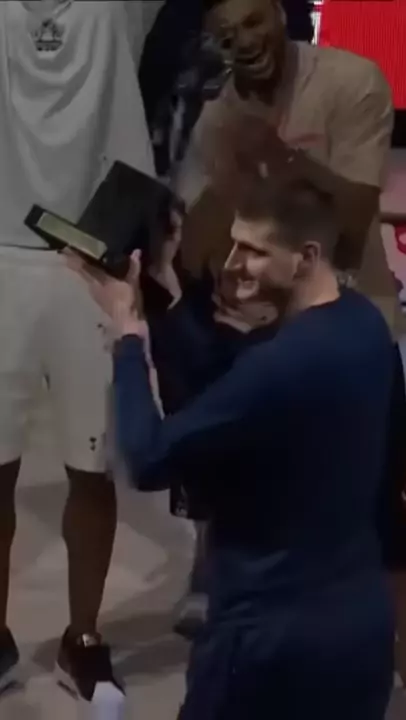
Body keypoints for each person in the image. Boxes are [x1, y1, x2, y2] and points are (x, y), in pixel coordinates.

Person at [71, 178, 396, 720]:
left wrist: (129, 338)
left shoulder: (280, 365)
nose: (233, 264)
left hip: (267, 639)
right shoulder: (363, 325)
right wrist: (167, 290)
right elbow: (235, 378)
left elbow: (148, 457)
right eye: (234, 243)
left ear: (306, 257)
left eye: (254, 250)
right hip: (358, 630)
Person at [0, 0, 154, 708]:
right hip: (1, 254)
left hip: (91, 255)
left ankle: (82, 636)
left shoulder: (114, 8)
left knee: (91, 470)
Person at [176, 0, 402, 336]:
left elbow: (353, 229)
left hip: (357, 328)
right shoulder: (215, 120)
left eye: (254, 22)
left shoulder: (351, 81)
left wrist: (281, 156)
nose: (245, 42)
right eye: (227, 37)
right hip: (257, 338)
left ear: (280, 13)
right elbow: (193, 260)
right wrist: (228, 176)